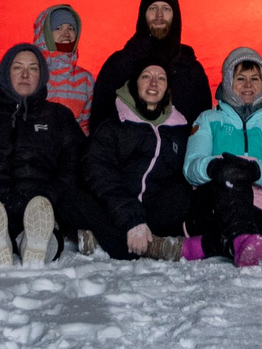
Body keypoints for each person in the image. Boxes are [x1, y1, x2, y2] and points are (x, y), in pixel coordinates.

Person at [0, 43, 95, 266]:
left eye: (33, 69)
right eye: (17, 67)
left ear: (42, 76)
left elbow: (76, 161)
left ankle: (41, 243)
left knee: (43, 220)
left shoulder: (58, 116)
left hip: (40, 204)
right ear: (5, 73)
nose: (25, 75)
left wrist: (51, 194)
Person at [184, 47, 262, 265]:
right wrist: (217, 168)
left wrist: (254, 170)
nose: (248, 85)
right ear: (228, 82)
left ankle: (208, 245)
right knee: (229, 173)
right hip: (213, 207)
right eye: (240, 78)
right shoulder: (208, 120)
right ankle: (240, 239)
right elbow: (191, 168)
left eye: (255, 78)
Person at [81, 55, 194, 261]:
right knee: (75, 196)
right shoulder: (114, 124)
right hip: (115, 205)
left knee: (182, 194)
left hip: (153, 211)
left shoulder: (178, 130)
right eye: (146, 76)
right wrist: (131, 218)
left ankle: (105, 240)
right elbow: (98, 169)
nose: (153, 83)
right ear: (134, 84)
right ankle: (150, 246)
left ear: (167, 88)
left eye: (161, 78)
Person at [89, 0, 214, 134]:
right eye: (153, 8)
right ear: (143, 14)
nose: (159, 15)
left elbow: (202, 130)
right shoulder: (119, 65)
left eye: (166, 9)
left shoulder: (192, 71)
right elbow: (99, 123)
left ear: (175, 16)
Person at [33, 3, 94, 117]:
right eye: (58, 28)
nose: (66, 34)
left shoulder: (85, 79)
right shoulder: (31, 73)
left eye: (71, 28)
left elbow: (86, 124)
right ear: (45, 34)